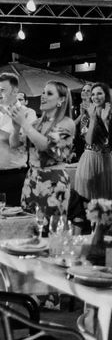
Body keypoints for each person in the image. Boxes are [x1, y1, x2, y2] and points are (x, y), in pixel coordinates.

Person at [11, 81, 75, 218]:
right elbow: (14, 144)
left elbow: (46, 146)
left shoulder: (66, 122)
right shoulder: (36, 123)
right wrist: (16, 128)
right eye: (43, 92)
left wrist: (24, 123)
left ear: (61, 100)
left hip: (53, 182)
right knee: (28, 227)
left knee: (50, 228)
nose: (43, 96)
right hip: (32, 180)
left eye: (49, 93)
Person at [0, 72, 37, 206]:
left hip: (13, 177)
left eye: (2, 90)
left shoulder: (28, 113)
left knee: (14, 222)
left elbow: (20, 142)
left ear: (15, 91)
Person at [71, 82, 112, 231]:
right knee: (87, 202)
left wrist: (106, 121)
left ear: (106, 95)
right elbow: (88, 140)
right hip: (89, 159)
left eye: (99, 93)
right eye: (93, 94)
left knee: (105, 203)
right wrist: (94, 119)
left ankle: (102, 239)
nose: (95, 97)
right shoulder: (87, 115)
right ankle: (88, 235)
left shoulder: (111, 113)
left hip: (106, 159)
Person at [73, 82, 93, 160]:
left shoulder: (95, 109)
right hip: (81, 148)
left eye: (88, 91)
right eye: (83, 90)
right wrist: (81, 115)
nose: (84, 92)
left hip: (93, 149)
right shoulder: (80, 109)